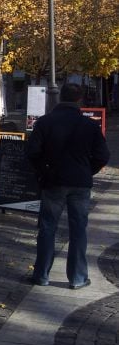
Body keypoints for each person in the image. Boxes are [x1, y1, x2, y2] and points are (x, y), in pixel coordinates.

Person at [26, 83, 110, 289]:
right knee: (78, 229)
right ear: (80, 100)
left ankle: (41, 274)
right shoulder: (89, 125)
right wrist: (87, 170)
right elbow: (103, 156)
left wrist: (44, 171)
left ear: (60, 97)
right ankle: (78, 277)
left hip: (53, 181)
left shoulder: (45, 123)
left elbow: (32, 153)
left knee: (47, 228)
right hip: (80, 182)